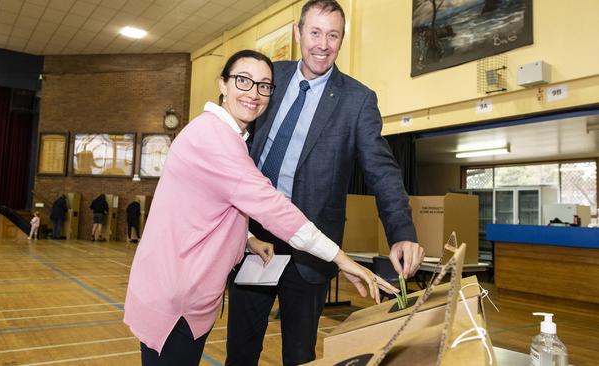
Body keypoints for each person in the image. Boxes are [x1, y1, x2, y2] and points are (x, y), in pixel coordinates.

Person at [123, 49, 398, 366]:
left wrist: (248, 238)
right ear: (223, 84)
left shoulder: (225, 133)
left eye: (264, 85)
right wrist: (344, 261)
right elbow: (274, 208)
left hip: (188, 294)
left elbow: (209, 208)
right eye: (243, 81)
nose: (253, 93)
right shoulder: (214, 139)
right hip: (176, 299)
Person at [225, 2, 426, 365]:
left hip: (312, 250)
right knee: (241, 350)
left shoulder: (357, 100)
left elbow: (382, 170)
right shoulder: (271, 79)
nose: (323, 44)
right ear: (298, 34)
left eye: (333, 35)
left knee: (300, 355)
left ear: (342, 39)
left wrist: (402, 231)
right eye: (315, 32)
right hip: (253, 236)